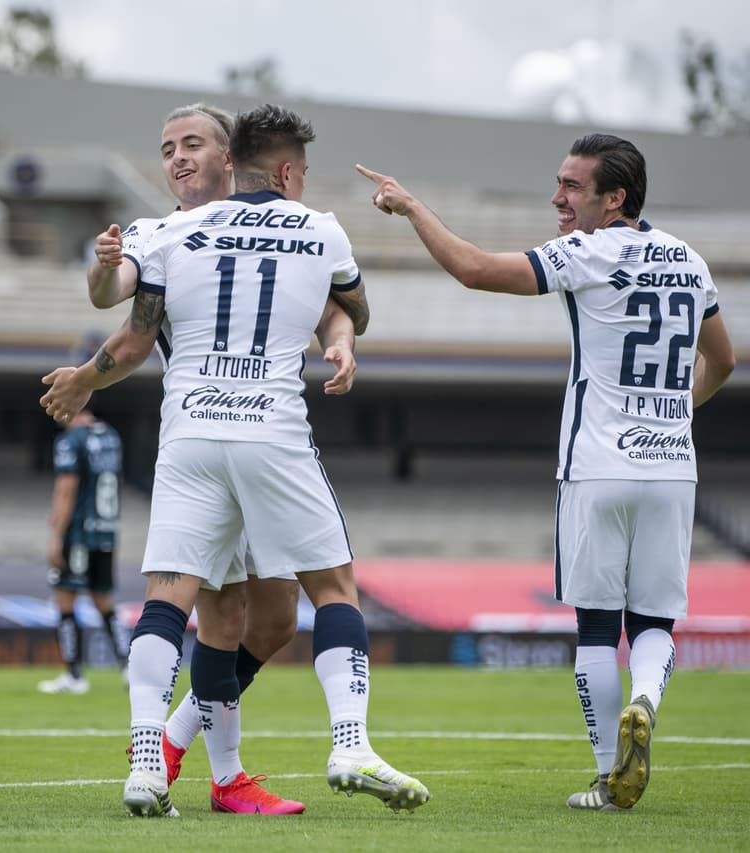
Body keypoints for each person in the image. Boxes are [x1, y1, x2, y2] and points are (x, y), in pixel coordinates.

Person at [43, 104, 428, 818]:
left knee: (230, 609)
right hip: (269, 433)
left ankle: (149, 754)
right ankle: (325, 747)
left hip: (189, 436)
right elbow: (350, 305)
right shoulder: (312, 228)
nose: (178, 158)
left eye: (192, 144)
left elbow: (125, 322)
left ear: (231, 158)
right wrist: (345, 336)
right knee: (311, 593)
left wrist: (85, 369)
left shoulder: (166, 235)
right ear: (287, 170)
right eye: (167, 148)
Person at [357, 132, 735, 811]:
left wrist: (414, 209)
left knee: (595, 626)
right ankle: (644, 700)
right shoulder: (689, 259)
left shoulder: (585, 253)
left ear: (614, 198)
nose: (557, 197)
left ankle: (606, 777)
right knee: (654, 623)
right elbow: (725, 361)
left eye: (572, 186)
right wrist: (675, 409)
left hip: (598, 467)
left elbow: (473, 269)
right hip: (674, 468)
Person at [37, 401, 129, 694]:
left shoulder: (70, 440)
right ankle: (128, 666)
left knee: (65, 598)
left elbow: (66, 490)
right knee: (103, 600)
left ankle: (74, 675)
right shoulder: (111, 436)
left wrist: (55, 536)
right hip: (106, 531)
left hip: (78, 534)